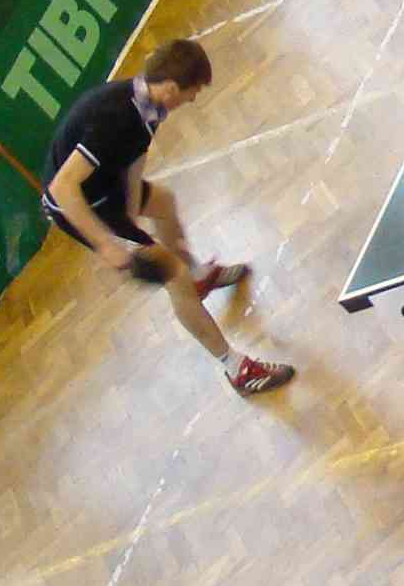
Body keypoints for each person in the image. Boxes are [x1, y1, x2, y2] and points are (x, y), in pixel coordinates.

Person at [39, 37, 293, 397]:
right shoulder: (113, 118)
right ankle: (237, 369)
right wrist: (108, 244)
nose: (193, 99)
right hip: (80, 203)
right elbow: (62, 188)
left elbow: (134, 159)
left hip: (106, 185)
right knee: (173, 274)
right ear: (172, 87)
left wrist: (131, 214)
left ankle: (199, 277)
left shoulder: (148, 104)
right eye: (192, 92)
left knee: (164, 203)